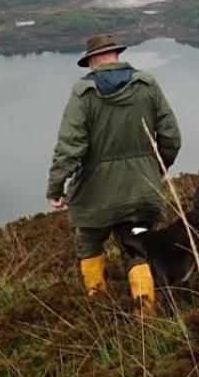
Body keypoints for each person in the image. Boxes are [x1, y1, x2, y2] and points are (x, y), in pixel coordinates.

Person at [46, 32, 181, 308]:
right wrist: (157, 168)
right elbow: (171, 137)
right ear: (116, 55)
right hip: (142, 189)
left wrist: (56, 188)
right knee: (138, 248)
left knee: (89, 245)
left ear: (92, 59)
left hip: (96, 196)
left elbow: (70, 147)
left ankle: (98, 308)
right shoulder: (147, 84)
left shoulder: (84, 93)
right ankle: (145, 317)